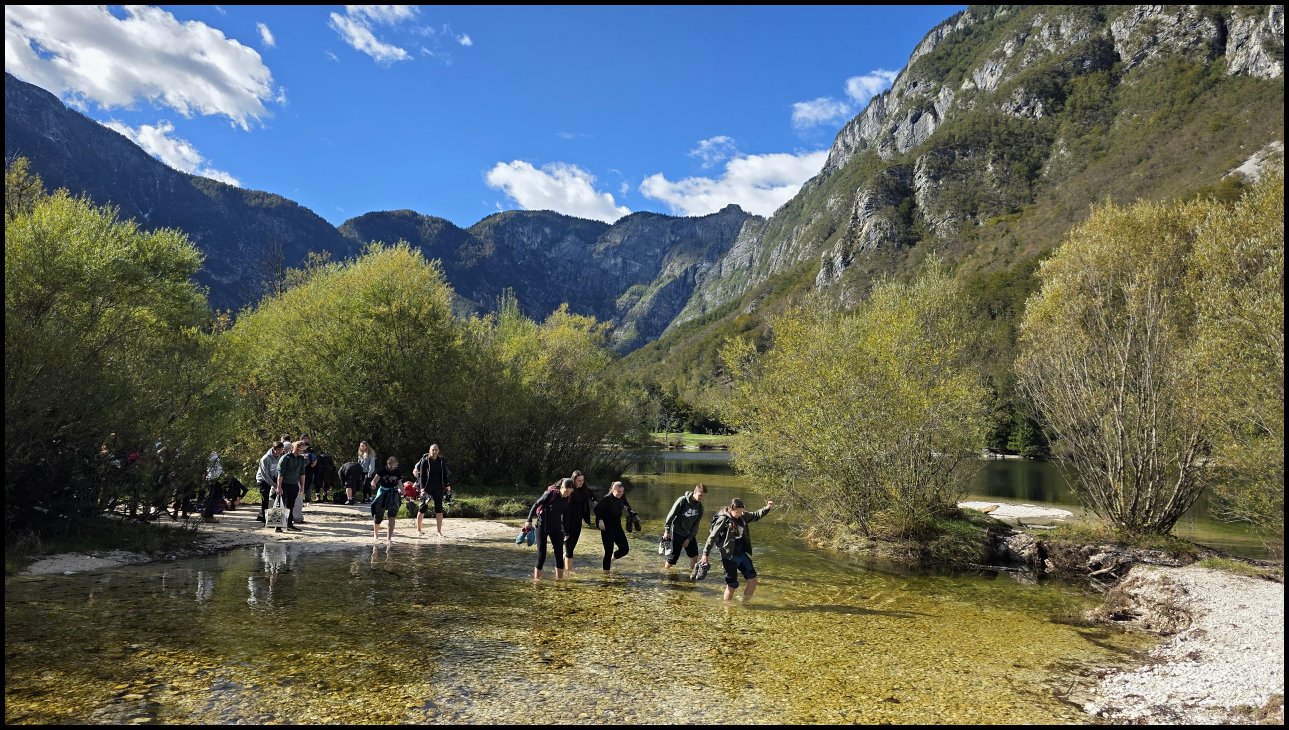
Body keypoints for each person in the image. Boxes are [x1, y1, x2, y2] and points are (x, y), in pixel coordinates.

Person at [701, 497, 775, 602]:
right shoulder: (723, 519)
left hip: (741, 554)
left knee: (753, 580)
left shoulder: (743, 516)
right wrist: (705, 554)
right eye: (737, 512)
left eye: (741, 511)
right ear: (731, 509)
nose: (740, 514)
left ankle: (745, 604)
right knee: (732, 585)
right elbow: (712, 537)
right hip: (729, 556)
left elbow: (756, 515)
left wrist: (767, 508)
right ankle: (727, 608)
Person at [524, 478, 574, 580]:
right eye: (566, 491)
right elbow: (536, 504)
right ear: (561, 487)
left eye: (569, 492)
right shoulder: (551, 494)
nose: (567, 494)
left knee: (559, 554)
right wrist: (529, 520)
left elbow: (565, 516)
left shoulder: (567, 498)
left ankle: (559, 581)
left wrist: (566, 532)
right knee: (541, 555)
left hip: (556, 527)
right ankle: (537, 580)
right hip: (542, 526)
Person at [594, 481, 638, 573]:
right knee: (608, 551)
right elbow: (597, 509)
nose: (620, 493)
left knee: (625, 549)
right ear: (613, 490)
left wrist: (632, 514)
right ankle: (606, 574)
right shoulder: (607, 499)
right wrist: (600, 520)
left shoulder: (622, 496)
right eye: (618, 491)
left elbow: (626, 505)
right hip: (607, 527)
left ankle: (611, 560)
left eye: (622, 491)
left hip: (617, 526)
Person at [662, 482, 708, 572]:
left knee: (694, 555)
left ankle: (692, 575)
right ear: (695, 492)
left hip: (689, 534)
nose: (701, 498)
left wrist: (689, 539)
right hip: (677, 532)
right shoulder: (682, 501)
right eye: (700, 495)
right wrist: (667, 531)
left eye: (703, 496)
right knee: (672, 558)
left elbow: (696, 525)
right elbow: (670, 515)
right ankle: (665, 573)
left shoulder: (700, 507)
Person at [412, 444, 452, 537]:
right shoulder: (425, 461)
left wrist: (447, 485)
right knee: (422, 508)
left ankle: (439, 531)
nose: (434, 452)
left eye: (436, 450)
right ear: (430, 450)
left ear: (438, 451)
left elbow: (444, 475)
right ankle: (418, 530)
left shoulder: (441, 461)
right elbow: (422, 476)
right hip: (427, 488)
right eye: (433, 450)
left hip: (438, 487)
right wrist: (422, 489)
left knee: (439, 509)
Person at [564, 470, 597, 571]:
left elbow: (591, 494)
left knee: (571, 548)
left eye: (582, 480)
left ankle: (562, 567)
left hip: (578, 521)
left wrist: (594, 501)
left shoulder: (584, 488)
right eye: (579, 480)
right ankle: (569, 573)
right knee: (569, 551)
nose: (581, 482)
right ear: (574, 480)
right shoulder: (569, 489)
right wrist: (565, 529)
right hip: (567, 521)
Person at [275, 440, 308, 533]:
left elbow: (302, 473)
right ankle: (278, 526)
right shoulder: (285, 458)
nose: (303, 451)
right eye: (302, 449)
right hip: (284, 484)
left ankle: (289, 524)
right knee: (280, 505)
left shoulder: (301, 459)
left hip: (294, 485)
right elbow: (280, 474)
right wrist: (279, 487)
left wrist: (302, 486)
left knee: (290, 505)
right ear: (296, 448)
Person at [370, 456, 404, 545]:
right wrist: (373, 484)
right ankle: (376, 534)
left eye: (394, 466)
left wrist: (405, 495)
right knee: (379, 514)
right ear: (387, 464)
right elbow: (374, 481)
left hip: (394, 494)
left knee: (392, 515)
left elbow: (400, 484)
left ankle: (389, 538)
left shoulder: (398, 472)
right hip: (383, 493)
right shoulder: (382, 471)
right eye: (390, 466)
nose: (392, 468)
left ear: (396, 465)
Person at [255, 441, 285, 522]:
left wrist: (277, 481)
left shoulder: (279, 456)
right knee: (265, 499)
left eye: (281, 450)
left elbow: (277, 469)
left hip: (272, 477)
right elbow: (265, 474)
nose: (280, 452)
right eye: (278, 450)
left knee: (277, 496)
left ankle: (270, 516)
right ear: (274, 449)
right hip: (263, 480)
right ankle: (264, 518)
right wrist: (273, 484)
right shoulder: (265, 458)